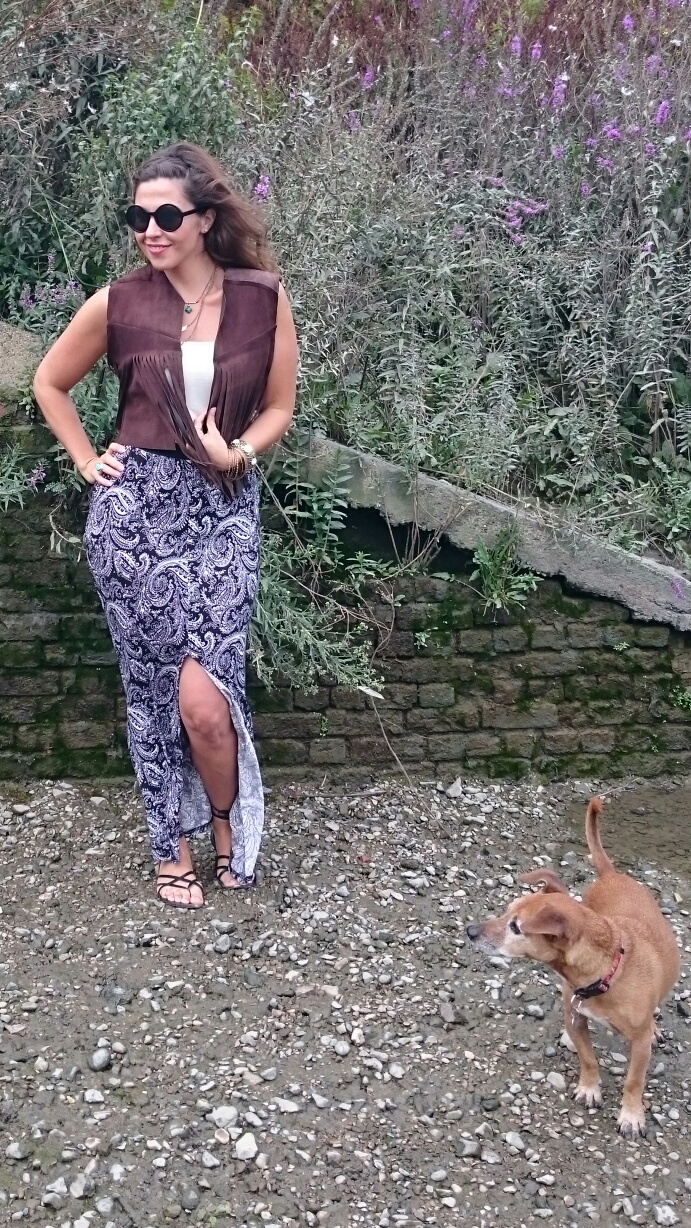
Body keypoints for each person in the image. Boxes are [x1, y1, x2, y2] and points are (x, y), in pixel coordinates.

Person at [33, 141, 299, 909]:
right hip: (135, 513)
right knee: (151, 693)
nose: (150, 230)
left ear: (205, 218)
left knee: (206, 704)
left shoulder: (262, 298)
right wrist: (87, 460)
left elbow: (279, 404)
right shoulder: (117, 302)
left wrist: (238, 451)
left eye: (167, 216)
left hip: (223, 510)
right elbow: (50, 381)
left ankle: (223, 820)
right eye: (138, 216)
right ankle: (169, 847)